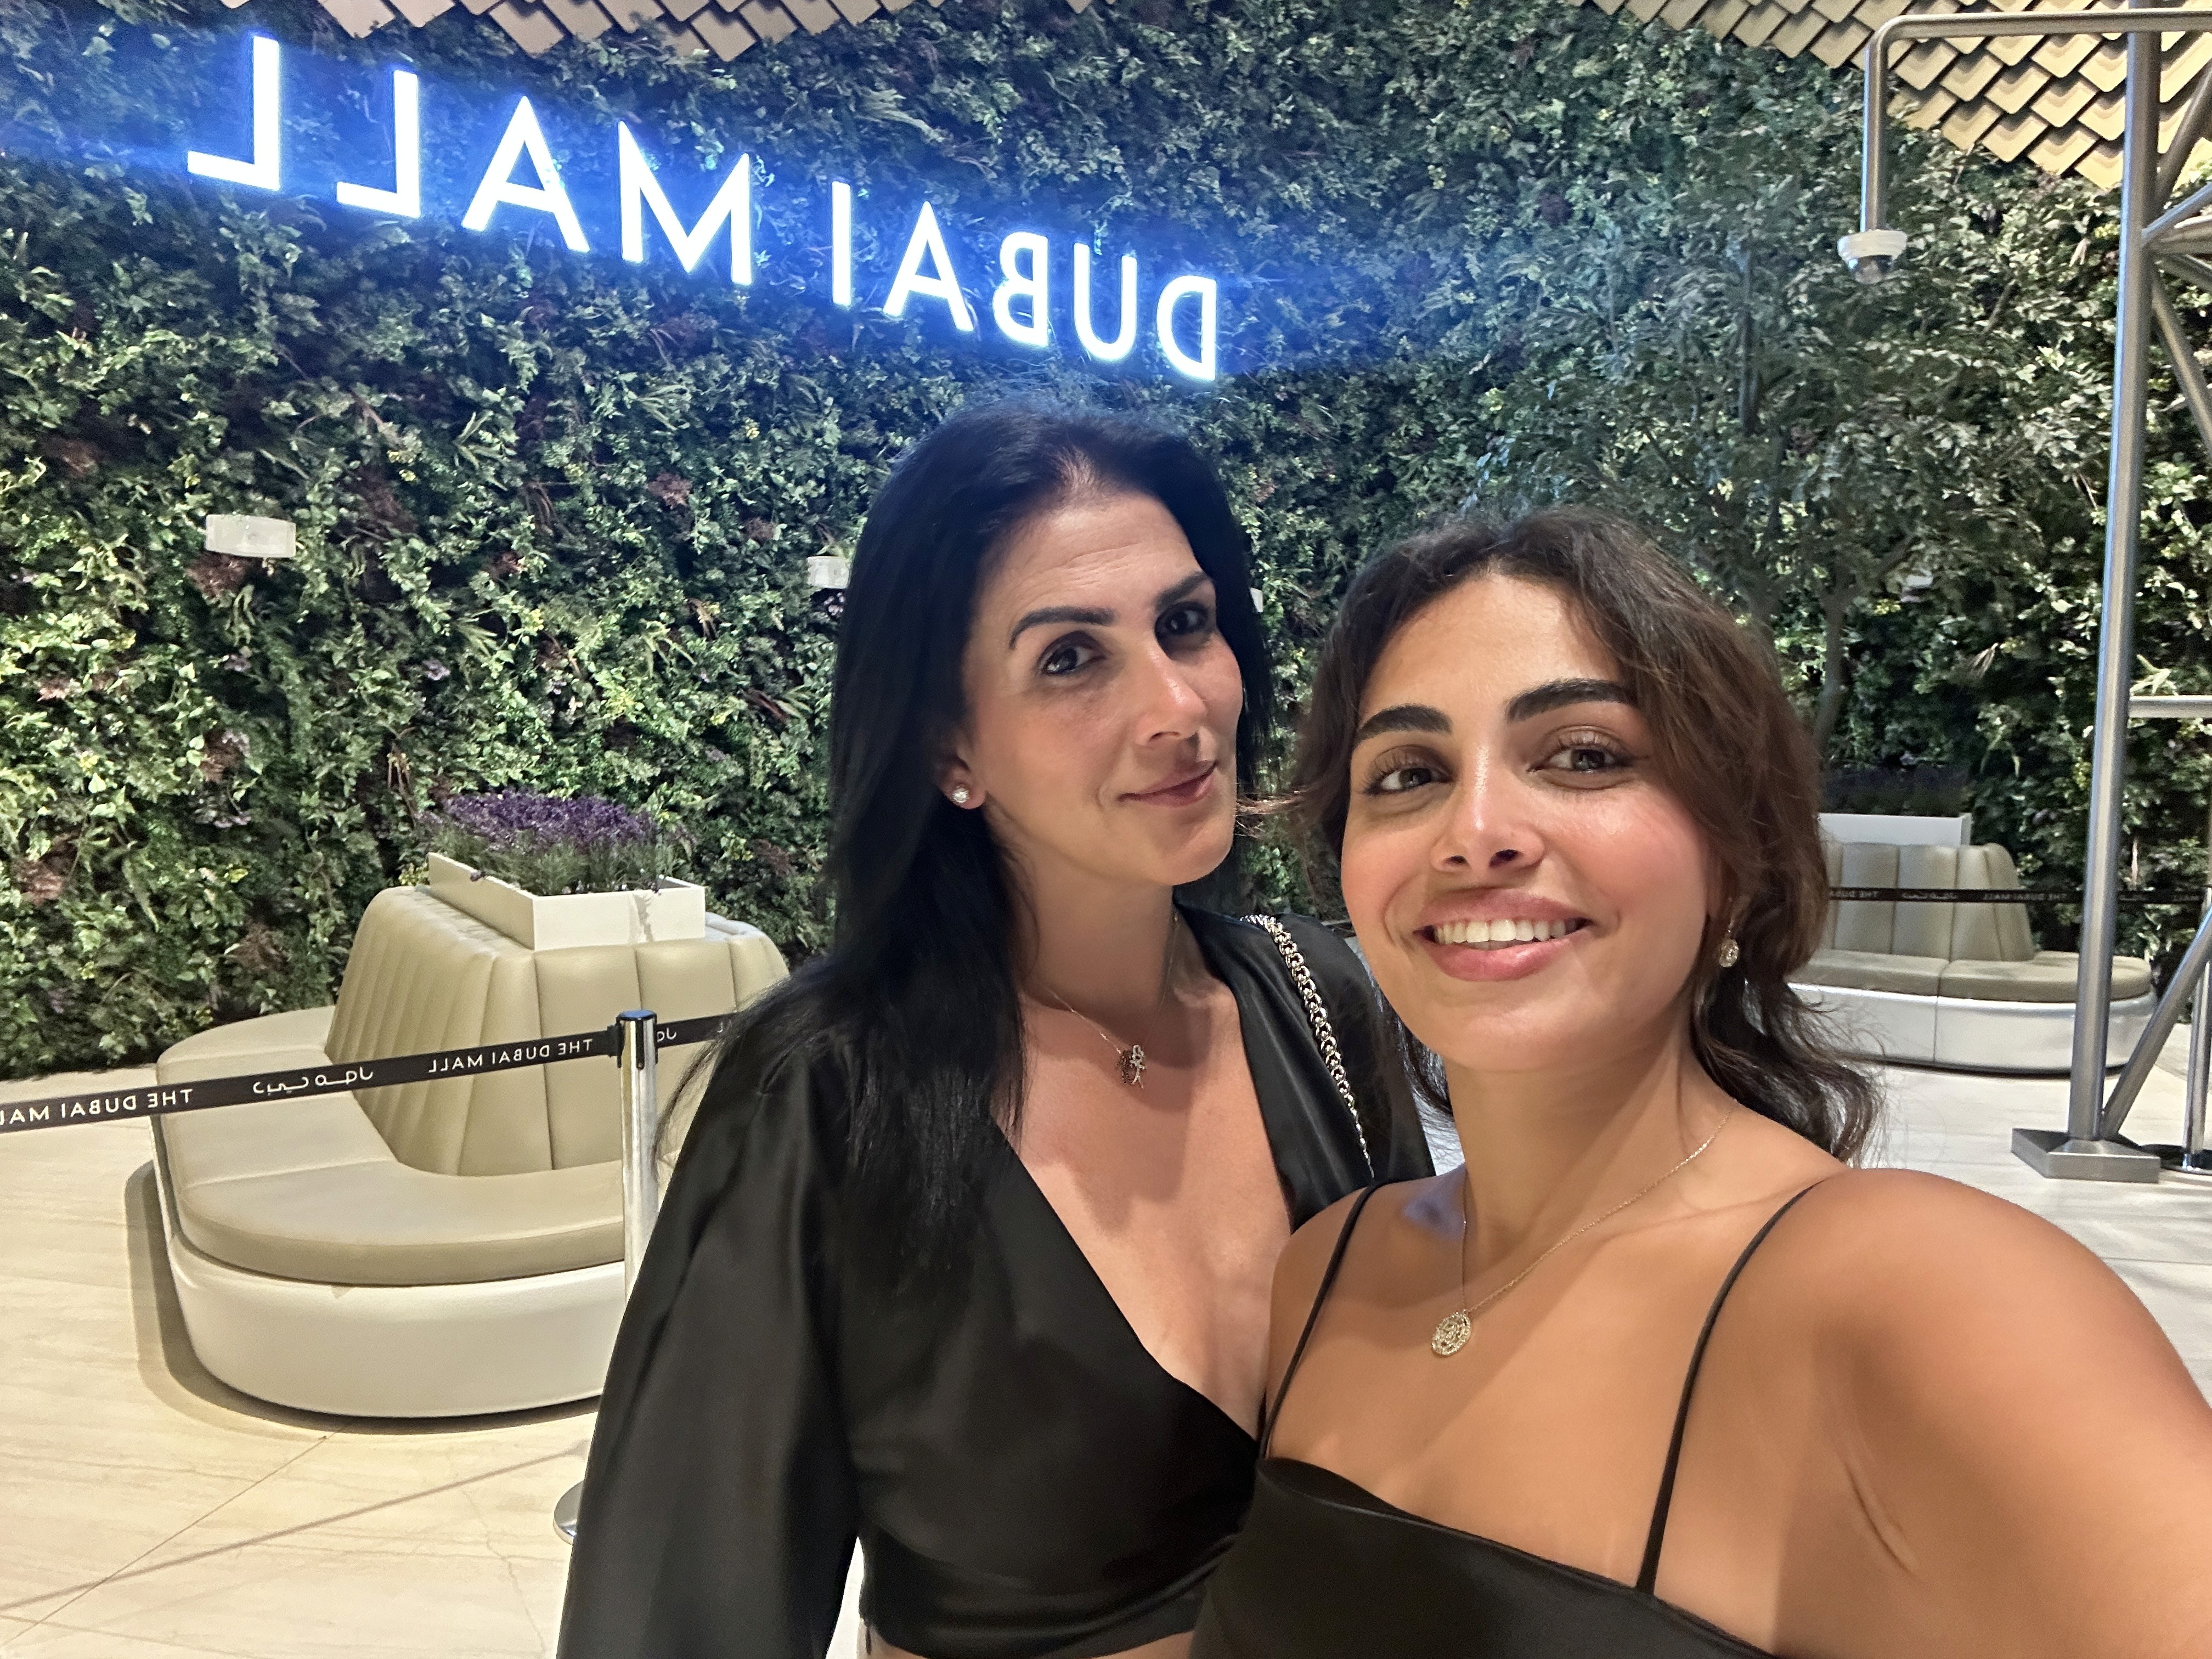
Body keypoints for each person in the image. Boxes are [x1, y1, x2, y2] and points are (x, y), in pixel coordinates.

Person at [1193, 508, 2212, 1658]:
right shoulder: (1329, 1271)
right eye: (1409, 773)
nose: (1473, 833)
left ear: (1734, 860)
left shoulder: (1925, 1302)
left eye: (1585, 755)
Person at [555, 402, 1431, 1659]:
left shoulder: (1320, 1006)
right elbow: (685, 1615)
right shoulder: (829, 1097)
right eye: (1071, 659)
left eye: (1187, 624)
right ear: (949, 745)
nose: (1178, 705)